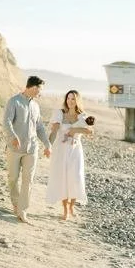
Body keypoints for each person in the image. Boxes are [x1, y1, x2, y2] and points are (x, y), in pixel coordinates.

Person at [3, 73, 51, 221]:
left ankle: (23, 210)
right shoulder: (14, 101)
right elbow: (7, 121)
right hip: (15, 148)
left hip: (32, 149)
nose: (40, 92)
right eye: (39, 89)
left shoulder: (36, 106)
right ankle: (16, 203)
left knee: (28, 179)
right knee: (12, 178)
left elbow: (40, 127)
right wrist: (13, 136)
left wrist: (47, 144)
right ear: (32, 87)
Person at [47, 90, 95, 220]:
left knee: (76, 177)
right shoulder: (60, 114)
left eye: (73, 99)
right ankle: (65, 210)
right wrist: (48, 146)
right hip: (61, 150)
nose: (70, 101)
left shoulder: (82, 116)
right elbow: (54, 130)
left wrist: (74, 130)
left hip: (75, 150)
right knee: (63, 178)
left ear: (77, 101)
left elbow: (90, 131)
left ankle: (72, 206)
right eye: (68, 98)